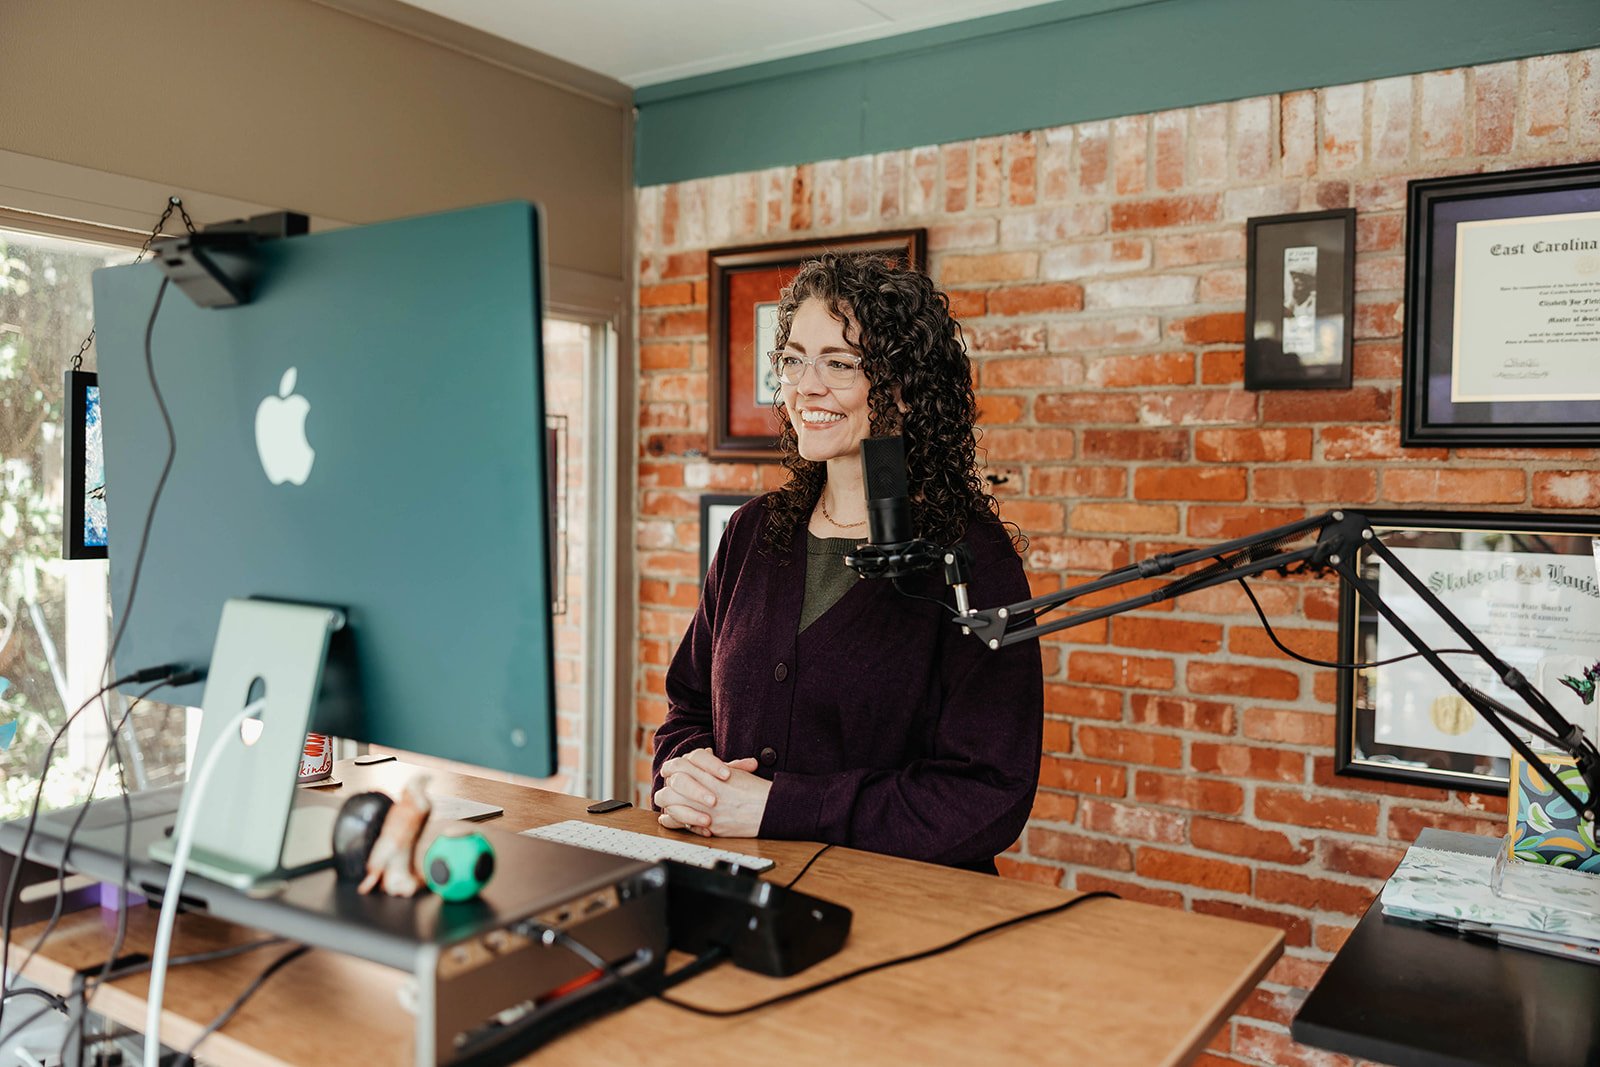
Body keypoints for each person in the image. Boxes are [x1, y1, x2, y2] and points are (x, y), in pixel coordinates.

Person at [650, 252, 1043, 873]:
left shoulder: (967, 556)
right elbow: (688, 709)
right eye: (793, 360)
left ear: (904, 388)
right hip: (734, 893)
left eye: (839, 362)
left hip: (899, 920)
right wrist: (684, 774)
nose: (807, 386)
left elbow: (989, 795)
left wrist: (778, 808)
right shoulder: (751, 533)